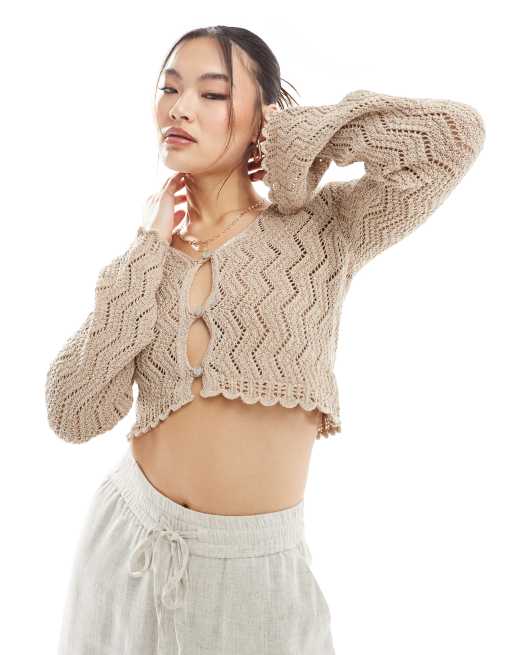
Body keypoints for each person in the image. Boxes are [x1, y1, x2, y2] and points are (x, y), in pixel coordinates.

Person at [46, 25, 486, 655]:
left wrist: (300, 137)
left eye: (213, 93)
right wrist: (148, 246)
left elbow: (453, 138)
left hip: (257, 572)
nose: (180, 108)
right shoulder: (143, 262)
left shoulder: (325, 229)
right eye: (169, 89)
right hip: (127, 547)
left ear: (264, 115)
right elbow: (72, 412)